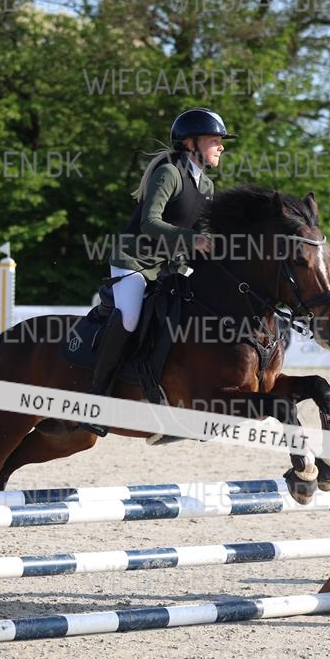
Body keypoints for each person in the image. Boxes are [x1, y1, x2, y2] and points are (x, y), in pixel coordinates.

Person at [78, 107, 233, 436]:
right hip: (134, 261)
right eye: (214, 140)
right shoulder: (169, 173)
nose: (221, 146)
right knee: (130, 316)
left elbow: (200, 237)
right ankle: (96, 397)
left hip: (168, 267)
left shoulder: (206, 185)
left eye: (220, 141)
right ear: (191, 143)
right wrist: (193, 239)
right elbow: (150, 222)